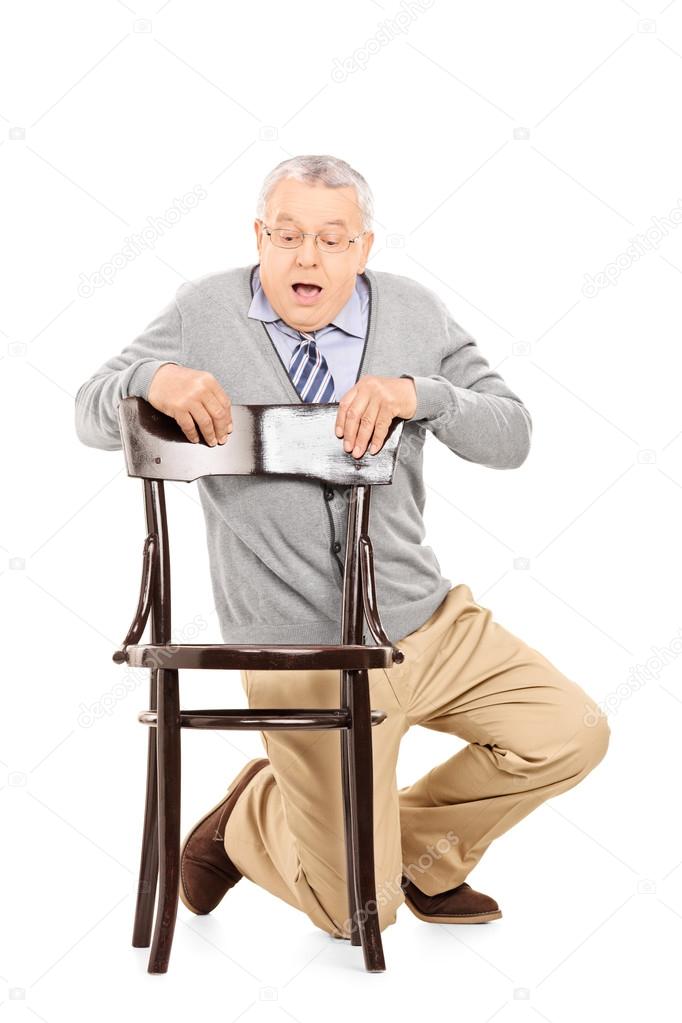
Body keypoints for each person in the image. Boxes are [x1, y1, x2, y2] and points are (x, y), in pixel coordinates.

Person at [75, 154, 610, 940]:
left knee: (574, 730)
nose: (307, 257)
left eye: (332, 239)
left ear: (363, 248)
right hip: (301, 658)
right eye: (287, 235)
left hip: (428, 624)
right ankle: (250, 814)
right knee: (355, 916)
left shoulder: (415, 314)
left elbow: (513, 435)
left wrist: (419, 395)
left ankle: (415, 854)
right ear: (260, 237)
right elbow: (90, 411)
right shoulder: (203, 312)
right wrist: (152, 378)